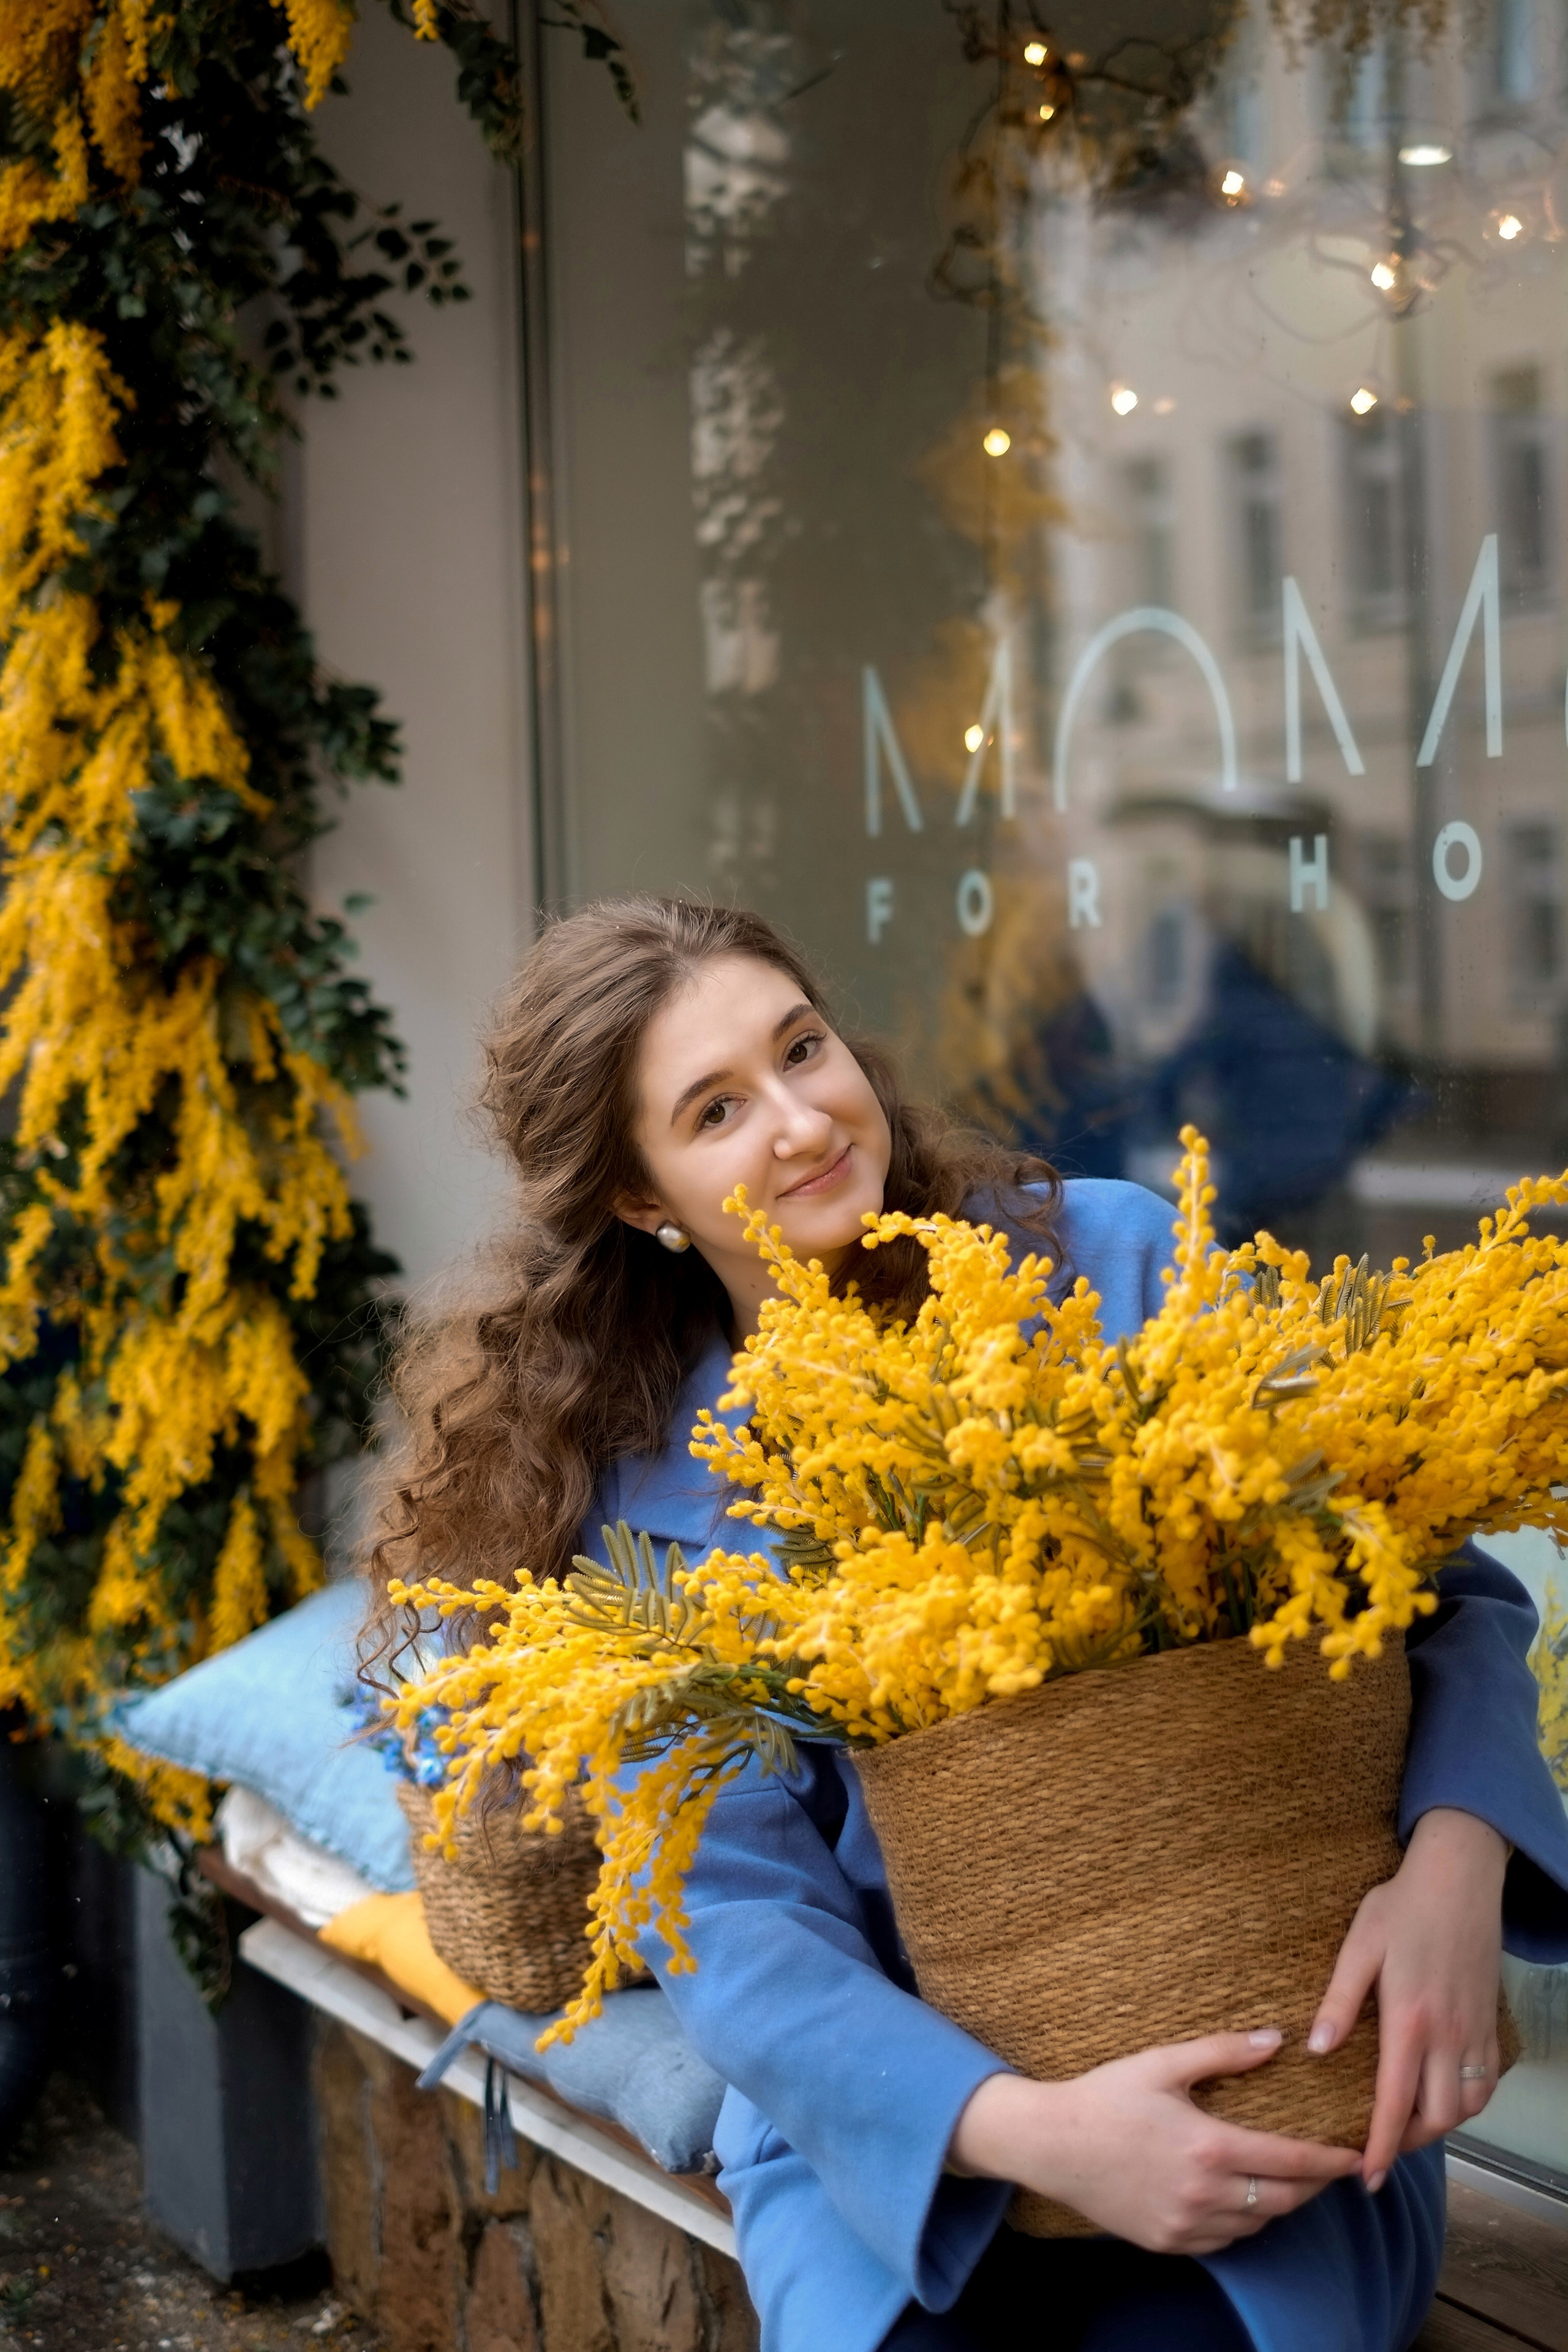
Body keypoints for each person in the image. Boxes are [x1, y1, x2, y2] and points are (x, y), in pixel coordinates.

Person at [366, 896, 1568, 2352]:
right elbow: (736, 1919)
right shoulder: (639, 1516)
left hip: (1256, 2081)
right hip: (896, 2156)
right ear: (642, 1199)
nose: (802, 1123)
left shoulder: (1118, 1267)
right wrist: (1035, 2136)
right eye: (716, 1109)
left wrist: (1450, 1875)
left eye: (801, 1049)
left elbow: (1441, 1593)